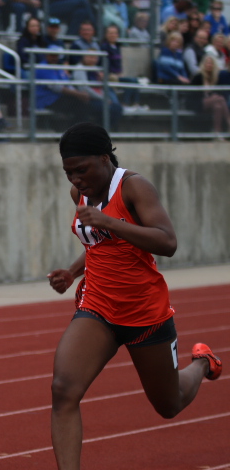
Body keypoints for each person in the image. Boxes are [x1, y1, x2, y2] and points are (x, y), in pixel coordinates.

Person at [47, 121, 222, 470]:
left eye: (81, 170)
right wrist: (72, 271)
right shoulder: (78, 194)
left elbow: (166, 241)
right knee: (63, 390)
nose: (76, 180)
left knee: (168, 405)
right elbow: (98, 243)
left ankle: (202, 363)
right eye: (68, 173)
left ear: (104, 157)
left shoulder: (133, 187)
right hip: (97, 307)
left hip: (144, 312)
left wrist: (109, 221)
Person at [71, 53, 124, 131]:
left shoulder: (96, 69)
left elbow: (102, 87)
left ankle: (102, 130)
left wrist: (103, 79)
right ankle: (101, 130)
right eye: (90, 57)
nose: (92, 60)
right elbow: (84, 89)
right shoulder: (80, 69)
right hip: (86, 99)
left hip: (99, 98)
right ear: (84, 57)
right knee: (113, 108)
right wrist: (103, 98)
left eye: (95, 57)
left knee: (117, 107)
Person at [100, 24, 144, 111]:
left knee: (135, 80)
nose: (113, 35)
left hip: (117, 75)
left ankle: (136, 104)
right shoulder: (104, 47)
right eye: (110, 33)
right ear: (106, 34)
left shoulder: (117, 47)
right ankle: (125, 104)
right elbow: (105, 63)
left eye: (115, 33)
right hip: (110, 76)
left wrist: (119, 73)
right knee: (130, 81)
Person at [190, 54, 230, 139]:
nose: (209, 65)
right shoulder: (198, 77)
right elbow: (193, 94)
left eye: (211, 63)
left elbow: (218, 93)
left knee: (218, 106)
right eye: (207, 63)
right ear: (203, 64)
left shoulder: (215, 78)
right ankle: (228, 121)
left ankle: (216, 132)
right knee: (220, 99)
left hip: (213, 103)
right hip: (198, 103)